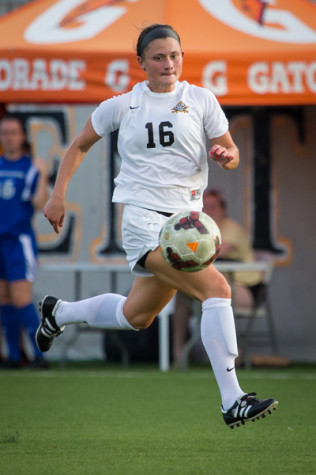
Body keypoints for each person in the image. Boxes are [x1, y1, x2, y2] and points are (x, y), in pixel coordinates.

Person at [35, 24, 278, 428]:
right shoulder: (122, 105)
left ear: (183, 57)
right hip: (145, 221)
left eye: (175, 55)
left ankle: (58, 313)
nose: (168, 63)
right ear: (142, 63)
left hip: (188, 222)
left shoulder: (200, 99)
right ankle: (232, 399)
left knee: (137, 316)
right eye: (159, 57)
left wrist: (225, 156)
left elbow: (231, 152)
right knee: (217, 288)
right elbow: (79, 144)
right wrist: (57, 195)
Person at [172, 188, 264, 367]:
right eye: (204, 207)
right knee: (182, 296)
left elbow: (212, 253)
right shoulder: (199, 232)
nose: (209, 211)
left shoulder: (231, 229)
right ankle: (179, 355)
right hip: (221, 287)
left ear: (224, 209)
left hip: (247, 291)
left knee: (212, 295)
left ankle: (229, 355)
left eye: (213, 206)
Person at [0, 115, 49, 369]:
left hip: (19, 241)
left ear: (22, 137)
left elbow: (40, 204)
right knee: (4, 299)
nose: (8, 137)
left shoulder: (30, 167)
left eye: (13, 132)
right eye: (4, 132)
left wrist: (42, 176)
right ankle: (14, 356)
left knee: (21, 299)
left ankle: (40, 355)